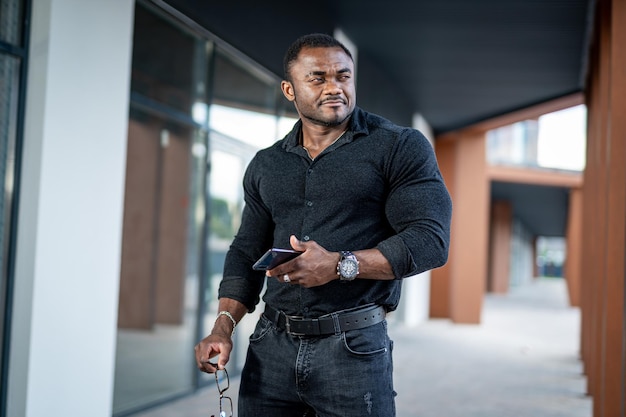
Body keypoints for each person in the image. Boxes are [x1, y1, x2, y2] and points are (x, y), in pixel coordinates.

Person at [195, 32, 452, 417]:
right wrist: (222, 327)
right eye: (318, 78)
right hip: (270, 345)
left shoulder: (399, 146)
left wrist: (337, 265)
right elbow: (246, 250)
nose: (334, 87)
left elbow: (430, 240)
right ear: (289, 89)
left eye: (343, 76)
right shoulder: (266, 164)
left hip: (353, 348)